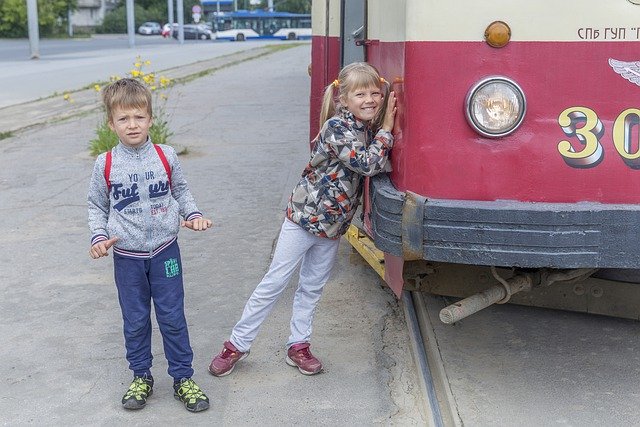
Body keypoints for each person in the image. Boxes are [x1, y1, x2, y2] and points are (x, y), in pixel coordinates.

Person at [208, 62, 397, 376]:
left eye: (375, 93)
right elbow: (367, 164)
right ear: (344, 99)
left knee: (312, 287)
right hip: (304, 219)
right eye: (360, 93)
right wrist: (388, 128)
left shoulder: (367, 130)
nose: (369, 100)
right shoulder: (337, 127)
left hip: (333, 227)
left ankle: (299, 346)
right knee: (275, 282)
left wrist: (382, 129)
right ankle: (236, 346)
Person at [87, 78, 212, 412]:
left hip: (165, 252)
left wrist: (193, 214)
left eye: (138, 117)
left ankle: (183, 377)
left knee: (172, 316)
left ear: (150, 118)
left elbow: (181, 190)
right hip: (127, 258)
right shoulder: (106, 163)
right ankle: (141, 375)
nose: (132, 125)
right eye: (124, 119)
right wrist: (99, 237)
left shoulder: (165, 155)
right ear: (111, 123)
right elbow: (97, 207)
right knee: (136, 319)